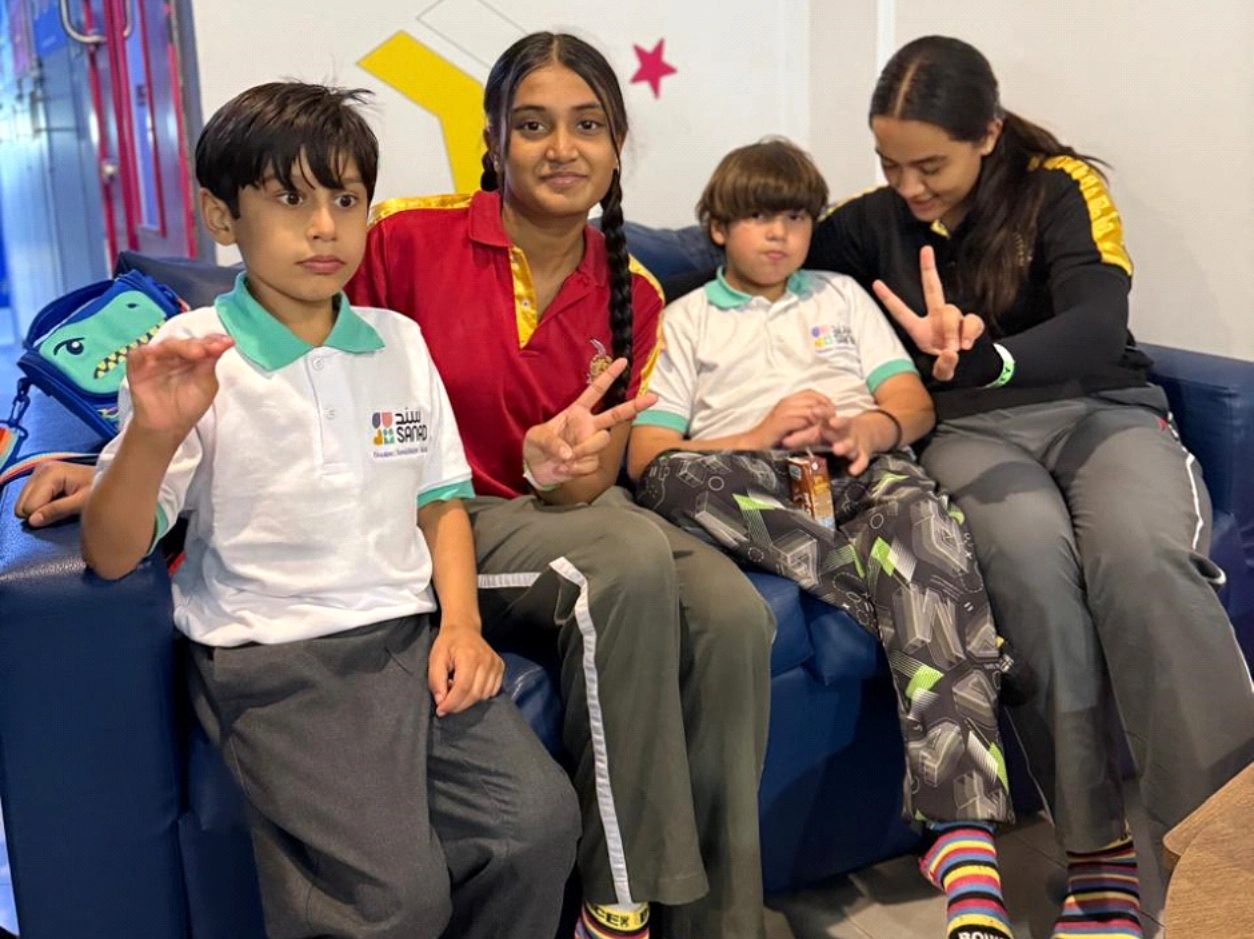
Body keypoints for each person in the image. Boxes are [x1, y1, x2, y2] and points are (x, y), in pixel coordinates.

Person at [79, 81, 580, 939]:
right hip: (272, 661)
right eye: (290, 198)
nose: (324, 227)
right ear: (222, 215)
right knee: (396, 898)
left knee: (537, 824)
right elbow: (112, 551)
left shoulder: (398, 341)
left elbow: (441, 503)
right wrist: (152, 438)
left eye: (345, 200)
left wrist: (463, 626)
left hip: (407, 640)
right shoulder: (190, 352)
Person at [804, 35, 1254, 939]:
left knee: (1144, 562)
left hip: (1102, 410)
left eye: (930, 165)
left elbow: (1099, 322)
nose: (909, 186)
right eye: (889, 164)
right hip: (970, 434)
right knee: (1031, 575)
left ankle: (1226, 862)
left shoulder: (1059, 187)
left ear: (989, 133)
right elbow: (752, 255)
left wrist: (992, 359)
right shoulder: (864, 223)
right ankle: (1095, 855)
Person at [353, 33, 778, 939]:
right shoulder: (403, 237)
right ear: (493, 140)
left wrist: (563, 467)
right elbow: (289, 343)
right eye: (534, 125)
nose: (562, 148)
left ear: (617, 144)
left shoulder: (635, 290)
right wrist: (129, 451)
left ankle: (720, 922)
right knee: (621, 559)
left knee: (735, 615)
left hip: (563, 514)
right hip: (441, 516)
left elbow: (590, 489)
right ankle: (617, 906)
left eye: (587, 125)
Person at [630, 137, 1018, 939]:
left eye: (797, 218)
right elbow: (647, 455)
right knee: (675, 481)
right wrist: (760, 432)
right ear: (717, 228)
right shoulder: (686, 319)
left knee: (919, 517)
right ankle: (925, 599)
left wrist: (867, 428)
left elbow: (912, 403)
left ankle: (967, 855)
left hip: (861, 473)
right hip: (751, 481)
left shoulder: (841, 295)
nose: (779, 234)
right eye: (758, 218)